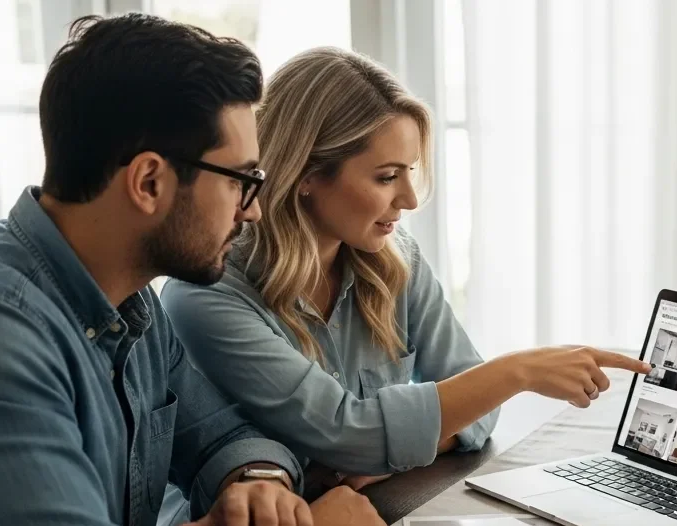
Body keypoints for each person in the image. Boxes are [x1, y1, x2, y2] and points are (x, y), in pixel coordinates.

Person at [0, 16, 394, 526]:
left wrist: (259, 483)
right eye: (242, 181)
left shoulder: (134, 307)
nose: (254, 213)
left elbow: (224, 434)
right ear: (149, 181)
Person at [162, 47, 650, 491]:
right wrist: (515, 371)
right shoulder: (208, 293)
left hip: (373, 513)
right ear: (307, 175)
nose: (411, 199)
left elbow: (479, 409)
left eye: (410, 172)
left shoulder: (397, 260)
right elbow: (345, 429)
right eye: (386, 177)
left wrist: (383, 455)